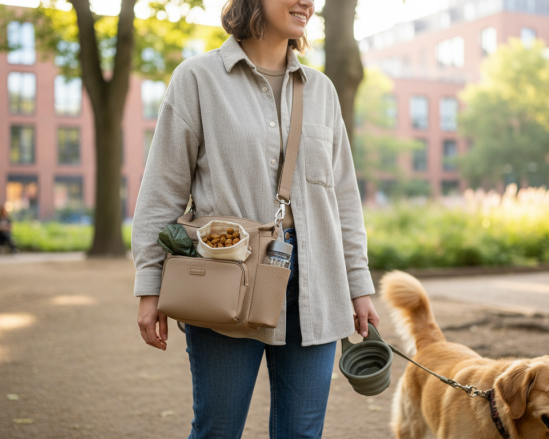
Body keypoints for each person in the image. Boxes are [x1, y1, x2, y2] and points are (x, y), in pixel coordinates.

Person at [130, 0, 380, 437]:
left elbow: (343, 199)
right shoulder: (197, 79)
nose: (308, 2)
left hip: (316, 283)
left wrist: (357, 285)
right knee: (218, 430)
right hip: (226, 278)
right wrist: (150, 284)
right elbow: (161, 192)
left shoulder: (321, 90)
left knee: (301, 434)